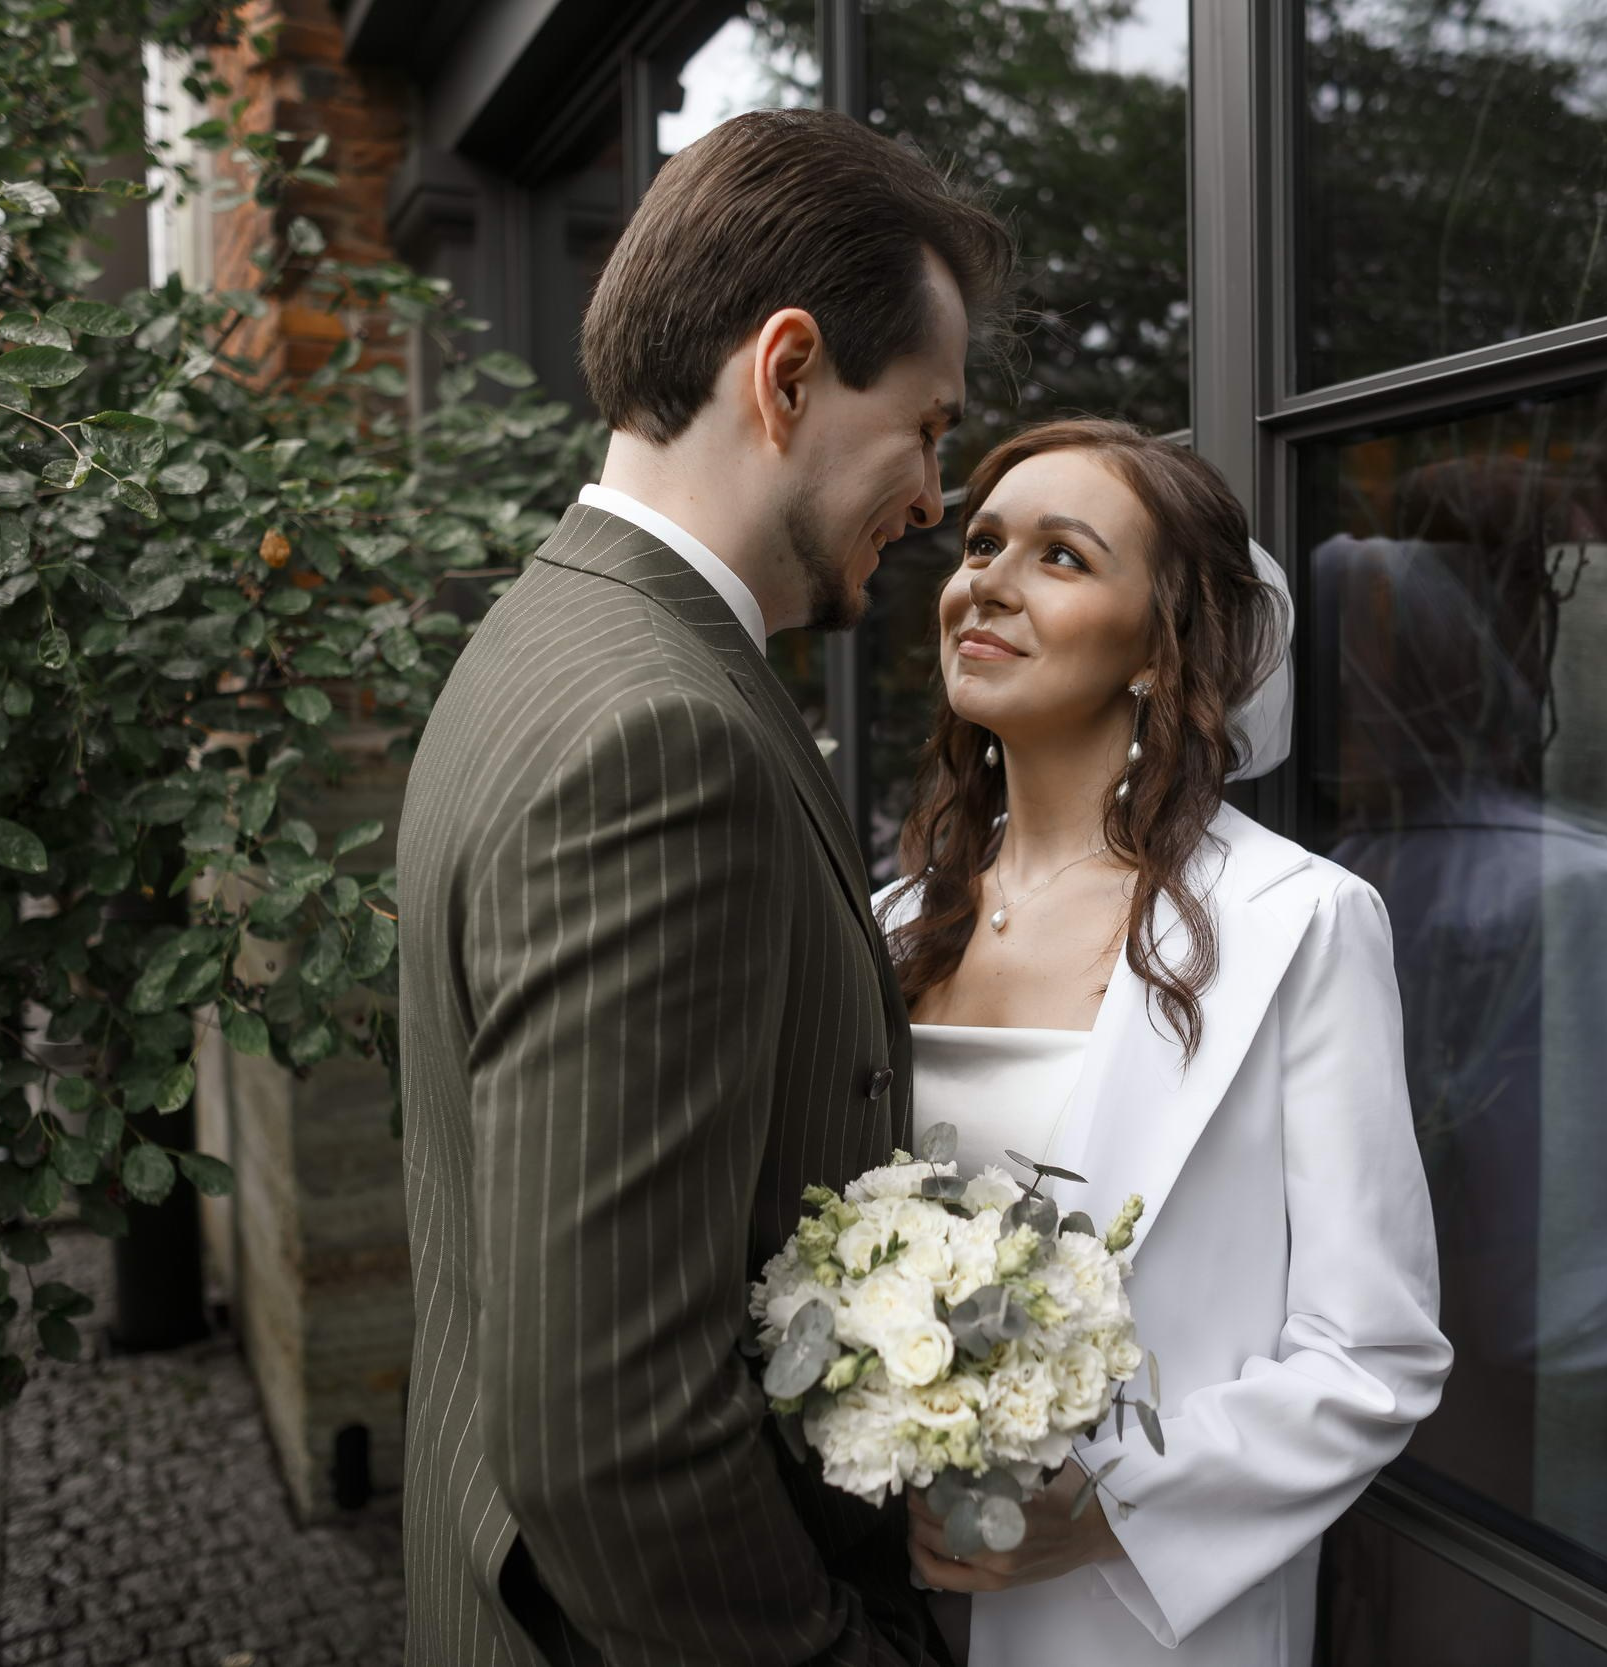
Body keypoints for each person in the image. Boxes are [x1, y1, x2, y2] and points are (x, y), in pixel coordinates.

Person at [396, 109, 1013, 1667]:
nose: (937, 501)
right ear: (789, 372)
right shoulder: (655, 729)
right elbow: (615, 1431)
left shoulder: (544, 637)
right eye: (929, 427)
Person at [875, 420, 1451, 1667]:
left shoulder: (1295, 924)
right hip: (873, 1597)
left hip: (1126, 1622)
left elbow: (1375, 1352)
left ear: (1156, 647)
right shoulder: (888, 924)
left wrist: (1103, 1511)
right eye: (980, 542)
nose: (985, 578)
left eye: (1062, 556)